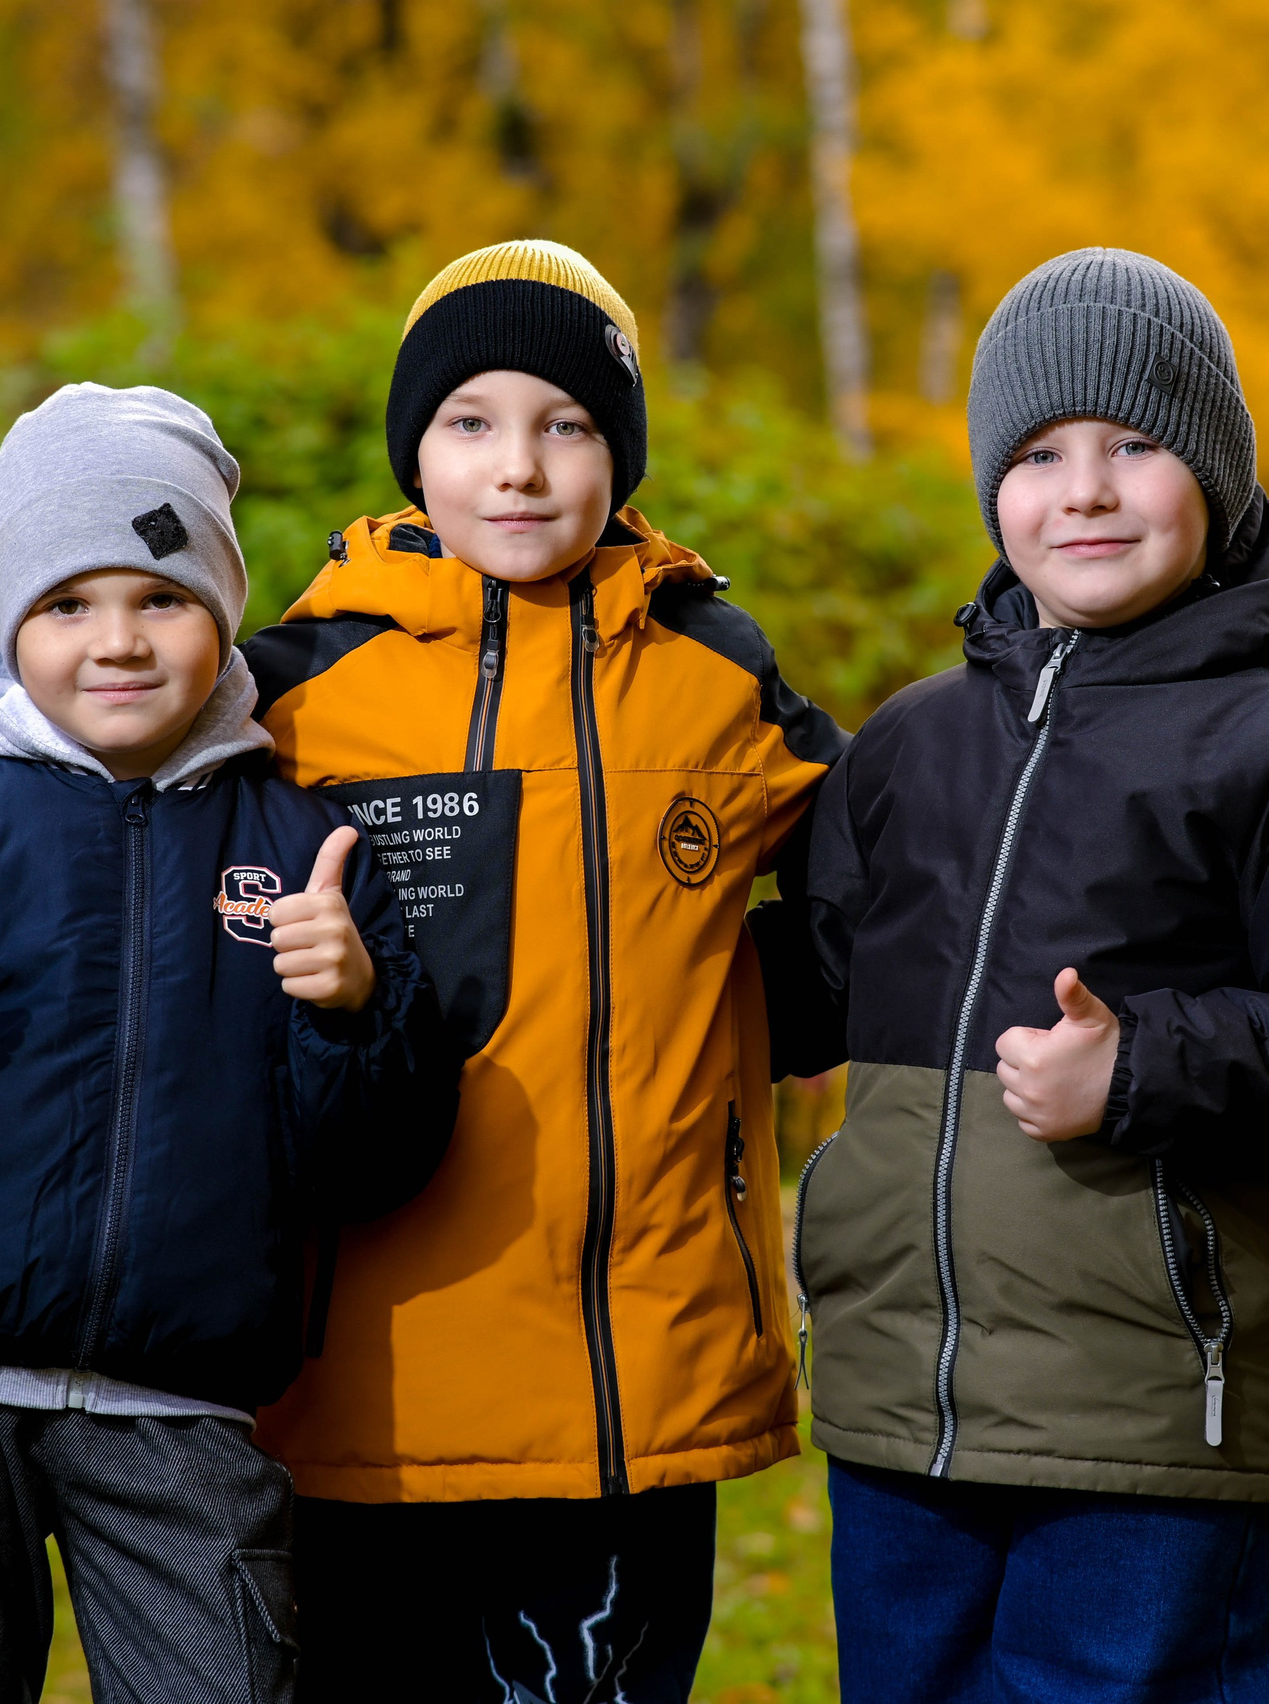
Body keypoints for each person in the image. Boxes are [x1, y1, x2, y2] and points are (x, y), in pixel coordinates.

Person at [0, 383, 460, 1704]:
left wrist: (352, 1010)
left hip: (185, 1404)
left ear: (221, 611)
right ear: (12, 625)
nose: (116, 642)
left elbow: (377, 1165)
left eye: (161, 597)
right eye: (67, 605)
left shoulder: (301, 848)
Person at [795, 248, 1269, 1703]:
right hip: (903, 1409)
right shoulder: (907, 745)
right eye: (1039, 455)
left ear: (1215, 473)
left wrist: (1141, 1067)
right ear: (993, 490)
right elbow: (803, 985)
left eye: (1135, 444)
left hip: (1151, 1422)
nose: (1084, 491)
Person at [240, 240, 848, 1702]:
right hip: (361, 1387)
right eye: (471, 422)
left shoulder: (715, 671)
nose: (517, 466)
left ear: (619, 456)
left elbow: (880, 891)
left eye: (565, 424)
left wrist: (731, 1017)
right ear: (414, 451)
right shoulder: (297, 691)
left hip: (631, 1385)